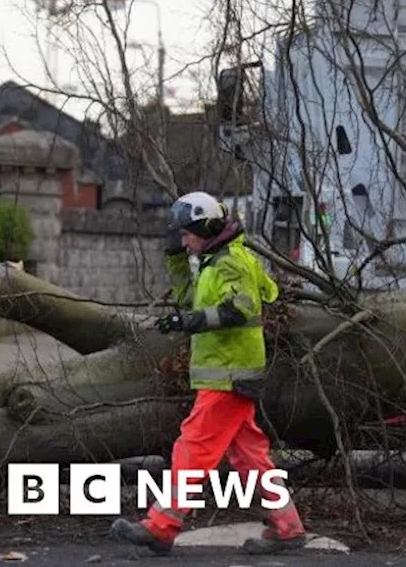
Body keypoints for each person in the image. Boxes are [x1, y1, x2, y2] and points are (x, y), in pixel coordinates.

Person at [111, 191, 308, 555]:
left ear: (205, 226)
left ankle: (161, 526)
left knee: (193, 449)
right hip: (229, 376)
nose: (183, 240)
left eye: (186, 234)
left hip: (228, 377)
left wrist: (191, 321)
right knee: (251, 459)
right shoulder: (214, 261)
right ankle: (289, 527)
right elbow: (190, 300)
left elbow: (241, 308)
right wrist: (175, 260)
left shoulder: (230, 262)